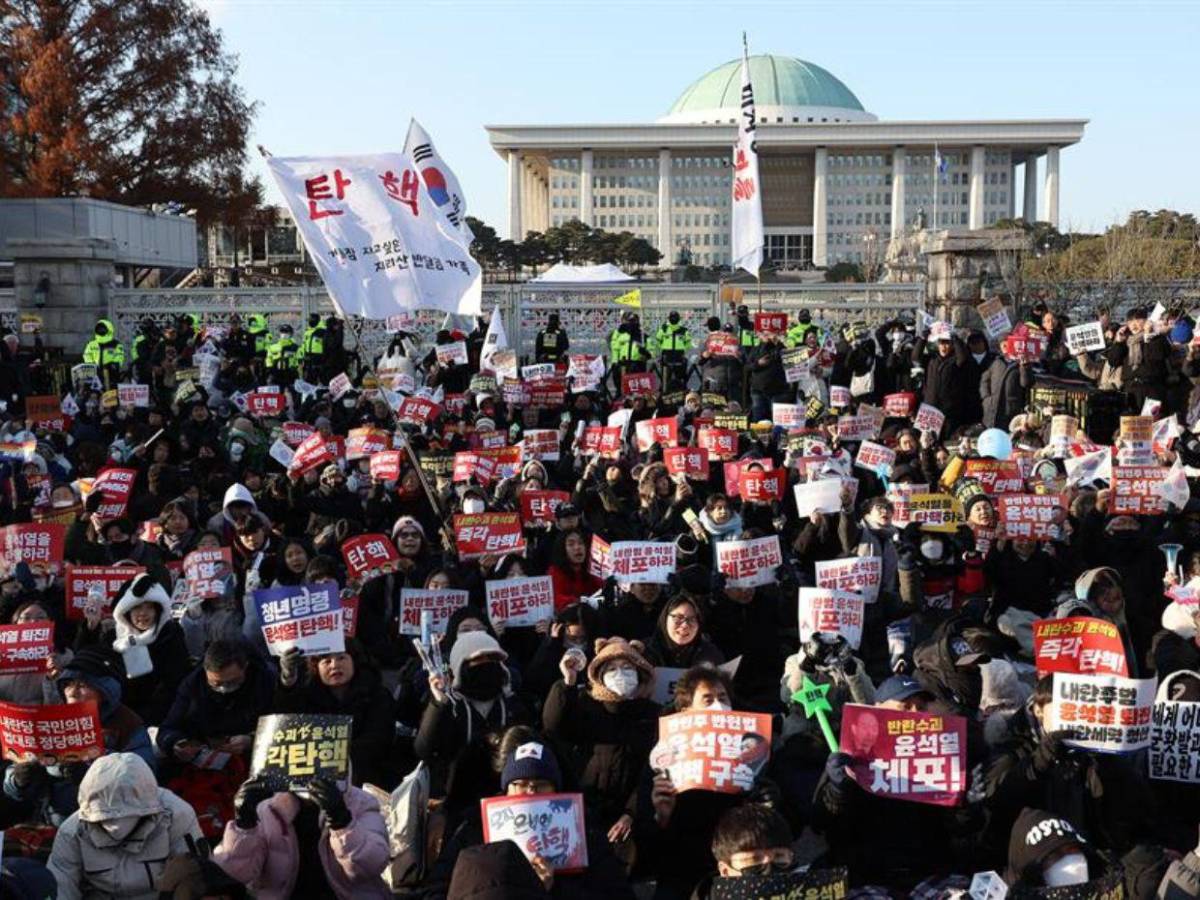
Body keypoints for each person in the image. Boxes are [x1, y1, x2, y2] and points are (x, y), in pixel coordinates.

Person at [47, 753, 203, 900]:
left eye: (125, 816)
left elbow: (195, 877)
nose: (115, 825)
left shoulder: (176, 815)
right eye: (105, 817)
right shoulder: (72, 832)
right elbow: (61, 886)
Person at [214, 773, 390, 899]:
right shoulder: (266, 806)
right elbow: (235, 875)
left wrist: (342, 822)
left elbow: (371, 867)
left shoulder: (359, 801)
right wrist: (243, 825)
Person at [654, 311, 692, 394]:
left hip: (679, 355)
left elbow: (688, 344)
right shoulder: (663, 329)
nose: (673, 319)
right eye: (672, 317)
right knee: (665, 377)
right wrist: (662, 349)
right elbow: (657, 341)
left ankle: (681, 393)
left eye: (675, 317)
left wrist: (684, 351)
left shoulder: (684, 330)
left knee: (680, 377)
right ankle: (664, 394)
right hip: (667, 355)